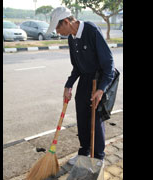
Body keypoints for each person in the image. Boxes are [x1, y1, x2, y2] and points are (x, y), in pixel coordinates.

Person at [46, 7, 115, 165]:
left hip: (98, 80)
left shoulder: (91, 30)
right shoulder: (71, 38)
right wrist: (68, 85)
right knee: (82, 117)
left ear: (66, 22)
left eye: (58, 28)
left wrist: (101, 89)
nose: (57, 32)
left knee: (95, 119)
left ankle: (98, 157)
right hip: (84, 80)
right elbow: (77, 67)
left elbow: (109, 63)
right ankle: (84, 152)